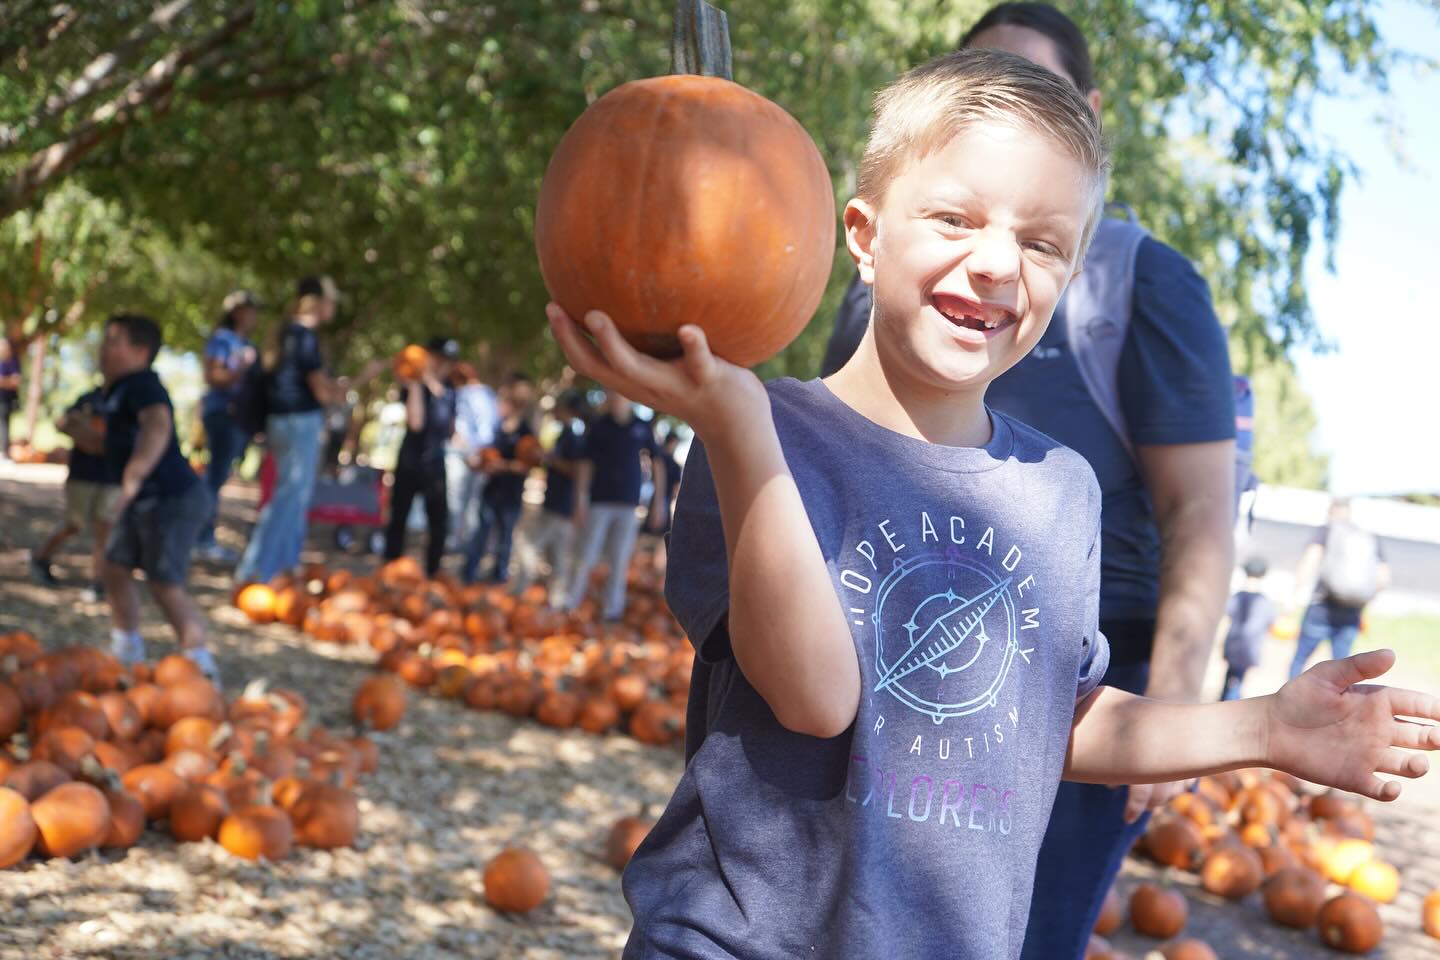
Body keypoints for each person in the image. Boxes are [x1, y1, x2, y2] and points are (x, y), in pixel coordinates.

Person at [543, 50, 1440, 960]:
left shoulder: (1061, 489)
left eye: (1043, 243)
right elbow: (815, 698)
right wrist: (738, 431)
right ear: (864, 235)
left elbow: (1045, 718)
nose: (1000, 263)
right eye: (954, 218)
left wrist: (1265, 727)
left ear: (1071, 276)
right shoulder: (757, 436)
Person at [822, 7, 1238, 954]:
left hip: (1081, 674)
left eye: (1029, 85)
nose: (1001, 109)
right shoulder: (878, 290)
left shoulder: (1141, 283)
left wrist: (1175, 699)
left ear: (1087, 111)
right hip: (878, 639)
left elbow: (1200, 511)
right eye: (977, 86)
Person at [84, 314, 218, 681]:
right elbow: (113, 444)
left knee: (164, 582)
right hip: (144, 497)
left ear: (141, 351)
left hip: (170, 497)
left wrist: (133, 477)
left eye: (114, 342)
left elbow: (157, 426)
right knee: (114, 566)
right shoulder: (118, 391)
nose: (104, 349)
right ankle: (126, 650)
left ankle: (201, 667)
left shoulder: (142, 384)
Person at [236, 275, 379, 585]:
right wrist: (362, 379)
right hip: (299, 422)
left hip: (281, 422)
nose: (333, 308)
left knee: (293, 498)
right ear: (317, 302)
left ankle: (284, 571)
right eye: (330, 301)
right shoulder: (304, 337)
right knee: (289, 500)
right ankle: (257, 572)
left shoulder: (285, 334)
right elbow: (324, 393)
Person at [562, 390, 665, 621]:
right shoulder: (598, 426)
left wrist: (659, 502)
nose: (616, 398)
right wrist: (580, 500)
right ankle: (571, 602)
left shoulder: (642, 427)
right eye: (611, 394)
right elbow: (584, 464)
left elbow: (657, 462)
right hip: (599, 501)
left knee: (619, 558)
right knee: (585, 554)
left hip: (628, 505)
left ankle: (612, 609)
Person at [28, 385, 119, 601]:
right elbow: (63, 423)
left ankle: (98, 580)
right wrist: (85, 434)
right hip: (83, 474)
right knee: (74, 523)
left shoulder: (131, 399)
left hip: (112, 476)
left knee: (105, 528)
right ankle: (41, 557)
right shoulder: (89, 399)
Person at [1287, 497, 1390, 679]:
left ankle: (1289, 695)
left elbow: (1310, 560)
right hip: (1353, 610)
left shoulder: (1327, 530)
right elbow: (1383, 577)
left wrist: (1295, 595)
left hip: (1322, 604)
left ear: (1331, 511)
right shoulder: (1367, 536)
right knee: (1344, 667)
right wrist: (1364, 600)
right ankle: (1339, 698)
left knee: (1301, 658)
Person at [384, 337, 459, 578]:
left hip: (434, 463)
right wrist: (416, 385)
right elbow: (416, 423)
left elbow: (449, 428)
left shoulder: (450, 390)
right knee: (398, 518)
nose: (443, 365)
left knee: (438, 523)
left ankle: (433, 573)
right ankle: (389, 570)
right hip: (410, 460)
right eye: (439, 359)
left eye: (448, 362)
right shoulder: (413, 386)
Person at [196, 290, 261, 563]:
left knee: (218, 477)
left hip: (239, 417)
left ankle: (202, 537)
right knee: (214, 478)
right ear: (236, 311)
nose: (255, 316)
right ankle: (201, 539)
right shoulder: (223, 339)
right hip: (223, 414)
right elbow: (213, 375)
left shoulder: (246, 343)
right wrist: (242, 369)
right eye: (250, 309)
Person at [508, 389, 588, 601]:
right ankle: (557, 600)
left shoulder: (574, 437)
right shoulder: (565, 435)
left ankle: (519, 592)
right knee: (557, 555)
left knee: (530, 547)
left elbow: (576, 470)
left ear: (568, 410)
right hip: (556, 501)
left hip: (560, 504)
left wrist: (549, 459)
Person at [461, 388, 534, 583]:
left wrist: (504, 466)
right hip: (491, 490)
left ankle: (499, 576)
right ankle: (469, 574)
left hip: (511, 494)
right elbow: (486, 454)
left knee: (505, 536)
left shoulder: (525, 433)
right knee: (481, 532)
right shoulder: (496, 428)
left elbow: (527, 466)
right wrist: (478, 464)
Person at [446, 362, 498, 551]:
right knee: (469, 500)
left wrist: (474, 451)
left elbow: (482, 427)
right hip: (475, 452)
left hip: (469, 452)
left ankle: (460, 541)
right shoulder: (488, 393)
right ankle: (464, 542)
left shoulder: (469, 394)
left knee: (460, 499)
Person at [1221, 557, 1276, 700]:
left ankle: (1225, 700)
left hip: (1233, 645)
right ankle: (1229, 703)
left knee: (1230, 678)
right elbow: (1271, 625)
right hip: (1249, 649)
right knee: (1237, 681)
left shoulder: (1237, 596)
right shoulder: (1265, 602)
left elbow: (1227, 615)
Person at [646, 431, 682, 573]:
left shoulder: (662, 460)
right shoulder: (668, 463)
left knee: (654, 537)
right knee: (658, 538)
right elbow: (675, 489)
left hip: (658, 500)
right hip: (661, 501)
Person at [0, 337, 19, 462]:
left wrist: (3, 381)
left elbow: (15, 381)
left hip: (6, 400)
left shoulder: (12, 361)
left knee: (4, 425)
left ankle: (3, 452)